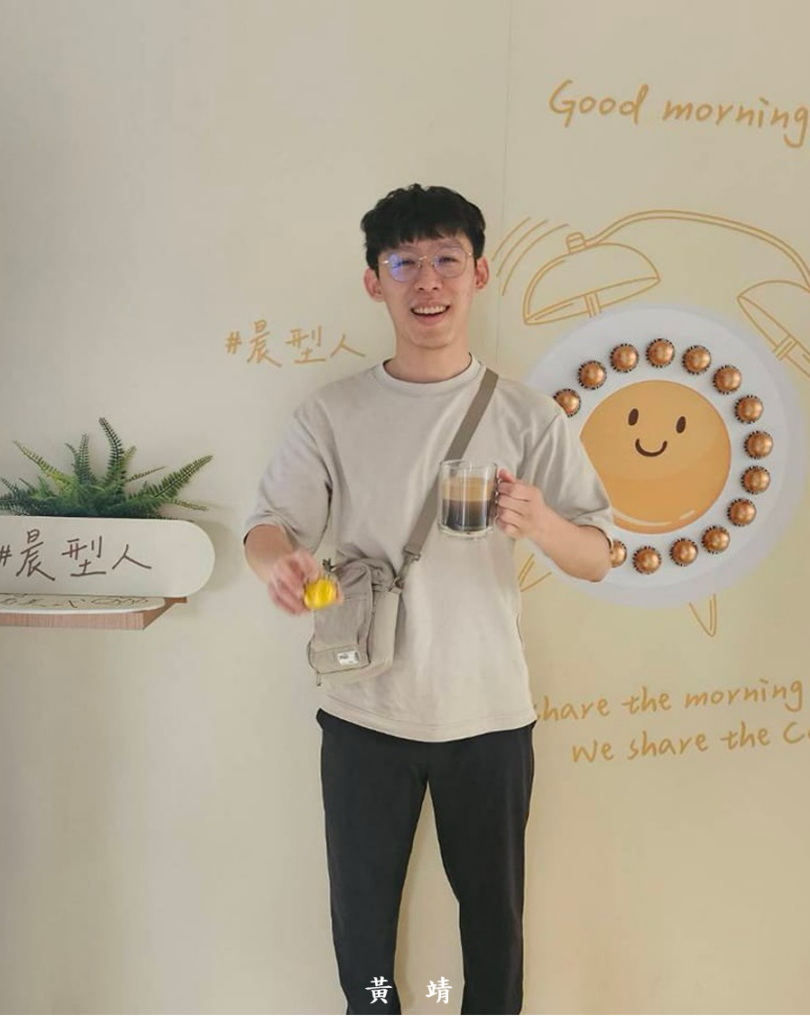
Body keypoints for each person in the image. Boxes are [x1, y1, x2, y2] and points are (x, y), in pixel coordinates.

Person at [243, 184, 614, 1016]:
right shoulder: (333, 412)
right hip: (364, 711)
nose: (427, 281)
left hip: (489, 713)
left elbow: (596, 556)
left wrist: (540, 522)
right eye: (403, 263)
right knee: (363, 937)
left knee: (494, 930)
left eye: (446, 259)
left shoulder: (525, 415)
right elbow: (268, 526)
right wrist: (278, 564)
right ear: (373, 281)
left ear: (478, 274)